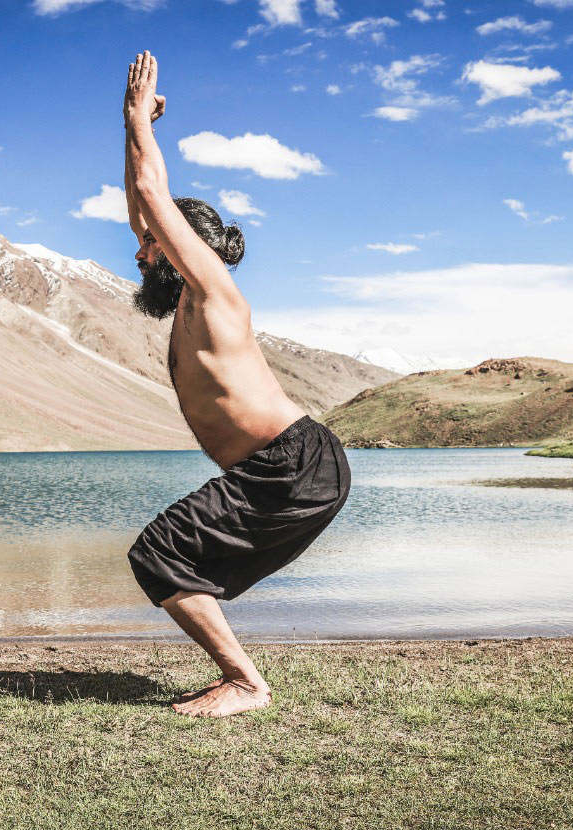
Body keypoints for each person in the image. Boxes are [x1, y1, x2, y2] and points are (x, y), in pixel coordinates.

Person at [123, 51, 351, 718]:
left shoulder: (214, 292)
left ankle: (246, 683)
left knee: (161, 552)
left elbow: (152, 197)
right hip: (282, 467)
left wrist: (138, 119)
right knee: (167, 558)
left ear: (181, 247)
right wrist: (136, 128)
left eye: (152, 243)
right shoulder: (188, 299)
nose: (139, 249)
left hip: (292, 465)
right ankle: (242, 678)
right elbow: (147, 200)